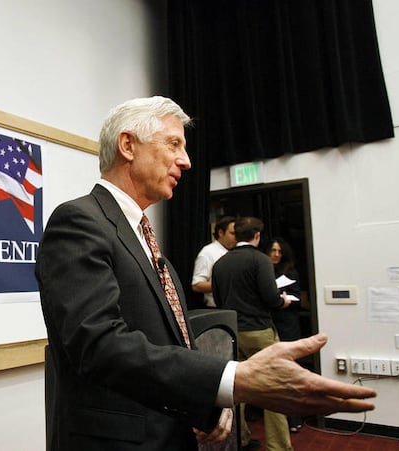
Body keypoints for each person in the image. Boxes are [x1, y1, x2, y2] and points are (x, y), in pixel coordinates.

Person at [35, 97, 375, 451]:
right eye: (174, 144)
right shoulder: (79, 222)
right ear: (128, 145)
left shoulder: (142, 238)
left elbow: (172, 342)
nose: (186, 160)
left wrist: (208, 399)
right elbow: (98, 344)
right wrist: (231, 379)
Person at [212, 217, 293, 450]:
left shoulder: (220, 263)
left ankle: (241, 437)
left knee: (235, 389)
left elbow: (218, 299)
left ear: (236, 235)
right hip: (259, 331)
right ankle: (279, 447)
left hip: (232, 332)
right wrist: (282, 302)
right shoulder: (260, 260)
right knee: (273, 389)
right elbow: (270, 297)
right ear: (257, 235)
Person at [266, 237, 305, 433]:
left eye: (279, 251)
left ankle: (294, 417)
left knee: (290, 370)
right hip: (270, 323)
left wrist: (285, 299)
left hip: (288, 324)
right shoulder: (263, 271)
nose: (276, 254)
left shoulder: (290, 272)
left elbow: (299, 300)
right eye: (273, 250)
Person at [192, 216, 237, 307]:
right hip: (216, 308)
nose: (236, 237)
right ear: (221, 232)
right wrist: (226, 286)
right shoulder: (208, 252)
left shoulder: (235, 252)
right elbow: (197, 285)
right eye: (232, 233)